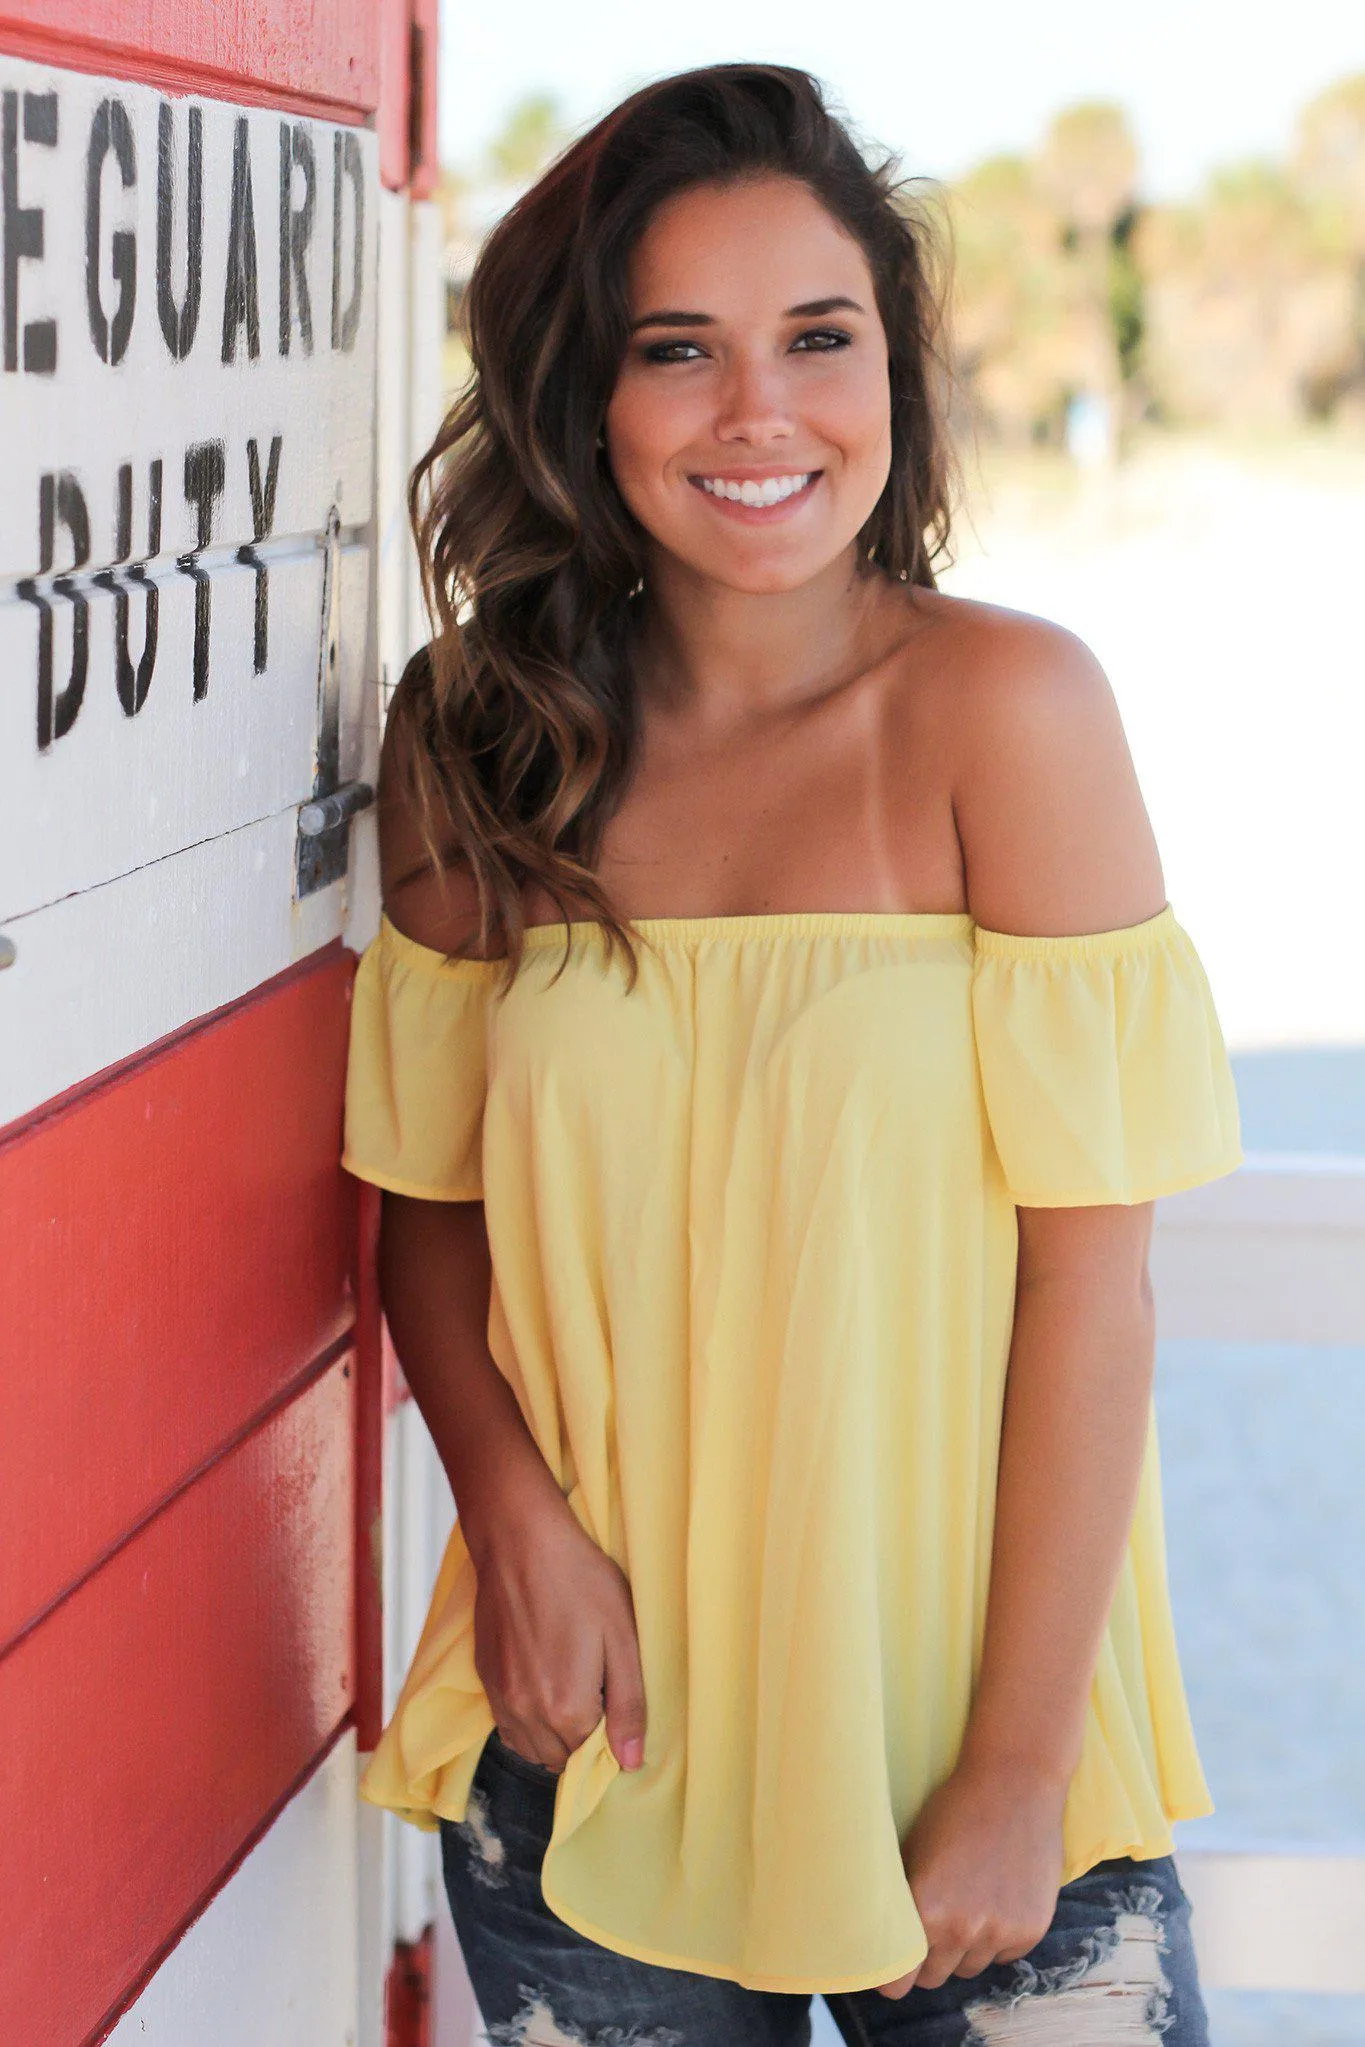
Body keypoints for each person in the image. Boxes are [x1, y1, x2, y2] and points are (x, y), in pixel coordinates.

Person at [341, 63, 1243, 2045]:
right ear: (585, 400)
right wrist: (510, 1516)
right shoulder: (479, 737)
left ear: (893, 377)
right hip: (594, 1751)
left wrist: (1016, 1771)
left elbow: (1093, 1281)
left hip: (985, 1769)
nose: (762, 412)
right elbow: (423, 1219)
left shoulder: (1010, 712)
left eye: (817, 338)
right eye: (682, 350)